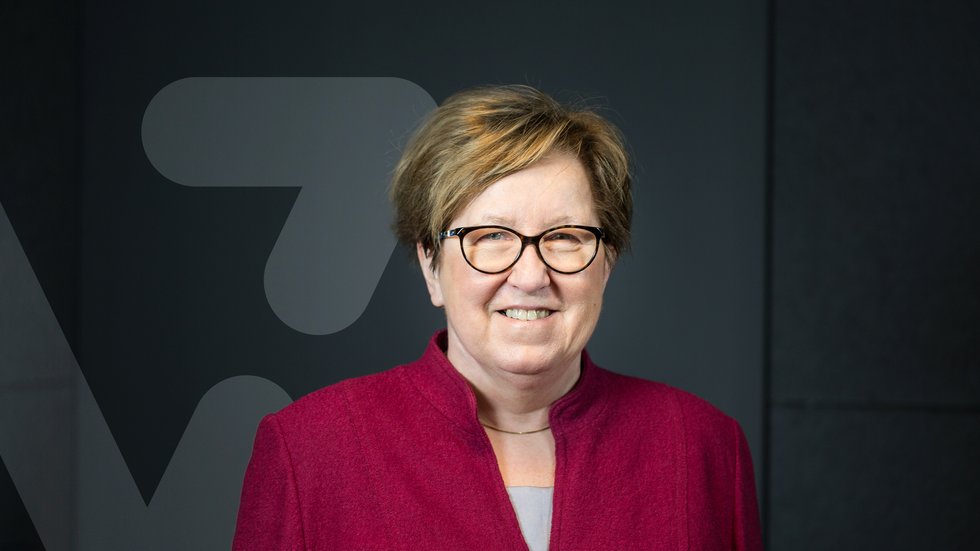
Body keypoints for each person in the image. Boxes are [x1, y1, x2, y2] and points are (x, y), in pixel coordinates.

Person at [233, 85, 762, 550]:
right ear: (431, 266)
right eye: (490, 237)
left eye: (565, 237)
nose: (531, 276)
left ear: (607, 261)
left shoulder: (702, 446)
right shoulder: (312, 450)